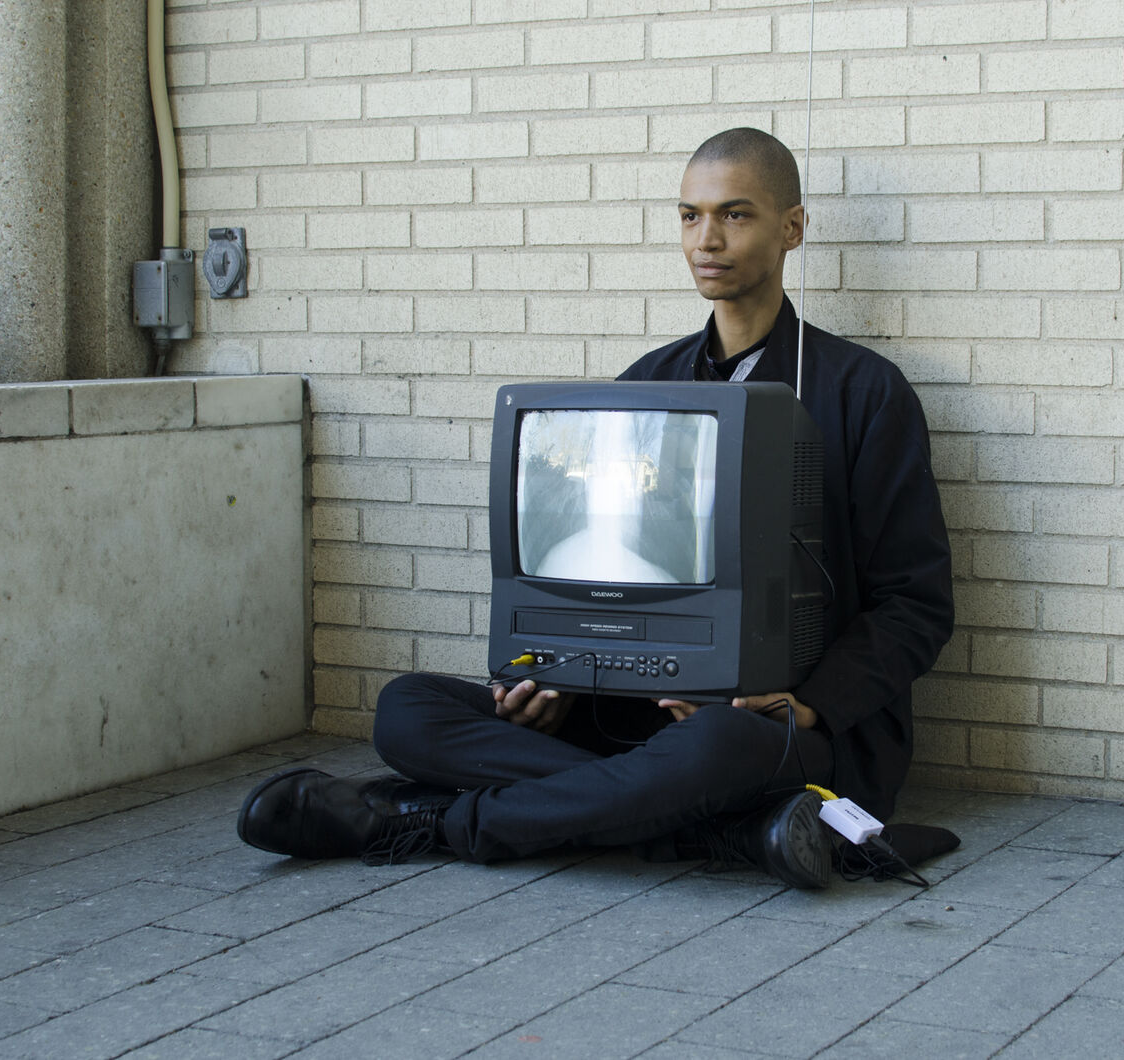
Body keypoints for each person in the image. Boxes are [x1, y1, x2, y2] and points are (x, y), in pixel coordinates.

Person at [238, 128, 955, 888]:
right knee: (407, 709)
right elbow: (608, 585)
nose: (705, 239)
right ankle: (729, 827)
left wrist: (806, 707)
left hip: (780, 732)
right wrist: (553, 684)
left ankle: (427, 823)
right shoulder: (645, 386)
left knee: (716, 750)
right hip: (630, 719)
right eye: (689, 215)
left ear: (792, 229)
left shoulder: (866, 392)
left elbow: (916, 603)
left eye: (735, 215)